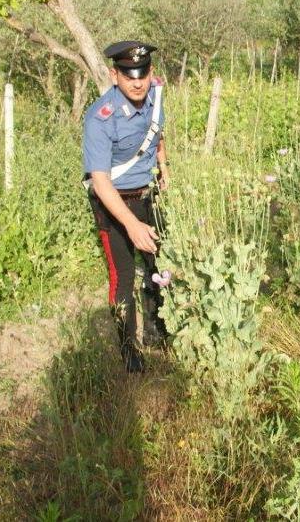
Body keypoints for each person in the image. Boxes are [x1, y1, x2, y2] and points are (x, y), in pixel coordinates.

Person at [82, 40, 170, 373]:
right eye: (129, 74)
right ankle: (128, 349)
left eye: (143, 72)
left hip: (148, 195)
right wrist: (131, 225)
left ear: (151, 72)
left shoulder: (156, 95)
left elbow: (158, 133)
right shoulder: (101, 118)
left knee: (156, 265)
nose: (137, 81)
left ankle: (156, 329)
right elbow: (101, 181)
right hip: (114, 203)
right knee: (123, 276)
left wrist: (165, 167)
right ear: (114, 74)